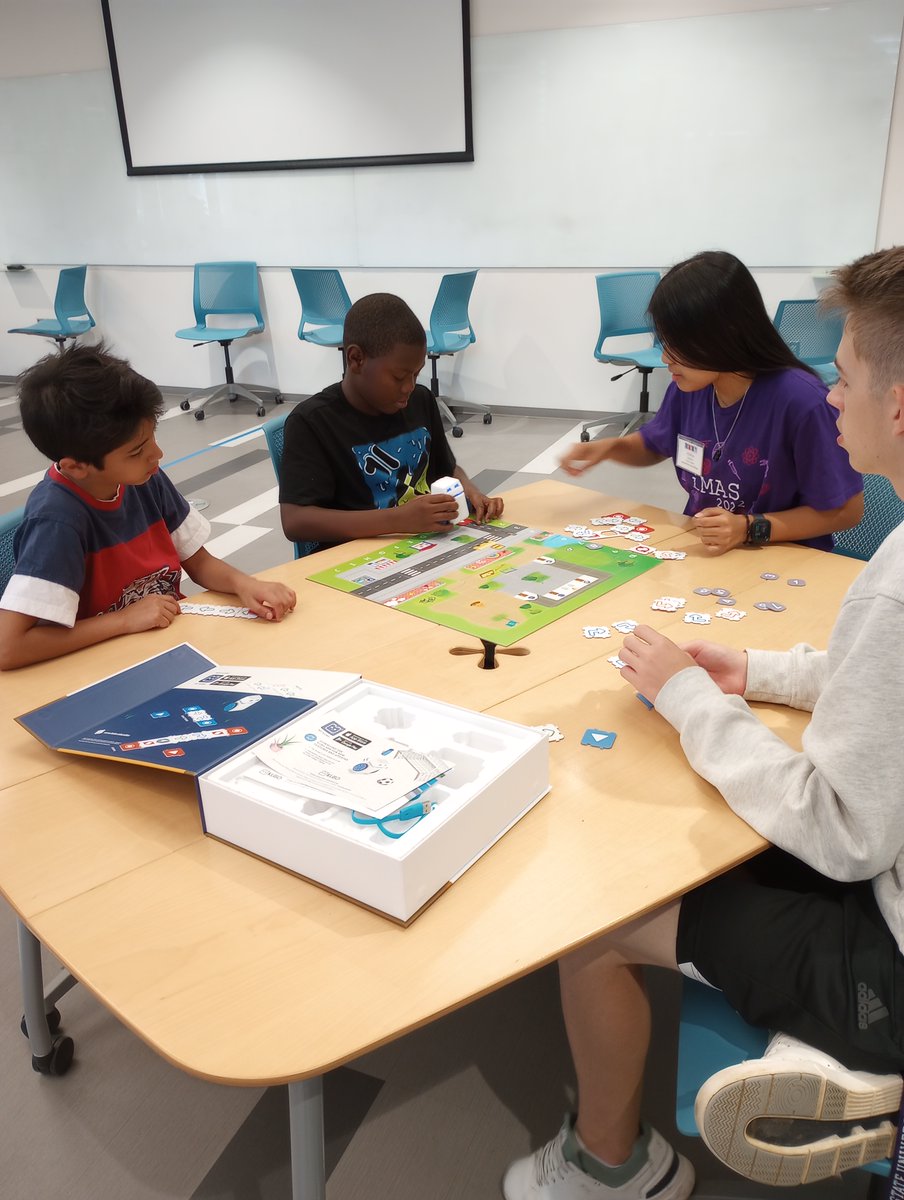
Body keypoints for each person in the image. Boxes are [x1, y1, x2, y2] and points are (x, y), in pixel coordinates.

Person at [503, 245, 904, 1200]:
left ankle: (617, 1169)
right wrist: (754, 667)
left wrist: (689, 699)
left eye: (844, 378)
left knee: (593, 918)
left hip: (881, 928)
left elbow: (842, 830)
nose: (832, 395)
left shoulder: (891, 584)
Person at [0, 343, 296, 671]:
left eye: (152, 437)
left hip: (165, 646)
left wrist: (246, 584)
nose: (157, 454)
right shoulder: (57, 520)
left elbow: (198, 563)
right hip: (102, 668)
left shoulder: (143, 477)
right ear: (76, 467)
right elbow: (9, 648)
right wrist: (123, 621)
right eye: (137, 449)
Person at [559, 251, 864, 555]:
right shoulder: (689, 386)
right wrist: (609, 448)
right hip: (709, 553)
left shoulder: (801, 401)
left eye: (677, 345)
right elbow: (655, 445)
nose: (666, 359)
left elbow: (847, 511)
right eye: (665, 343)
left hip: (785, 560)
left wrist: (748, 528)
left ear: (724, 334)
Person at [278, 292, 503, 548]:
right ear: (356, 359)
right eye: (398, 377)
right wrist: (399, 520)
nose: (408, 387)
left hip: (424, 546)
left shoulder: (420, 401)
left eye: (416, 375)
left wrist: (469, 490)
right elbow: (296, 521)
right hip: (356, 558)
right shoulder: (313, 422)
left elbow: (445, 468)